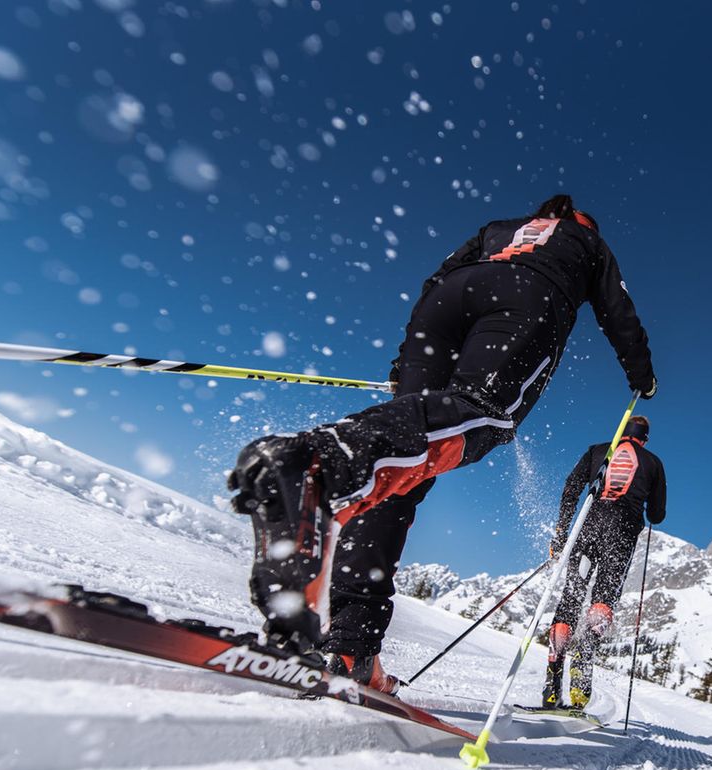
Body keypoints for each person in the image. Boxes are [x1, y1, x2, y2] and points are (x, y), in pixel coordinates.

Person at [227, 195, 656, 695]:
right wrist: (641, 375)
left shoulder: (501, 227)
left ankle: (352, 646)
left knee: (402, 470)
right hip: (526, 298)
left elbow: (439, 275)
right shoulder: (588, 241)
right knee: (484, 414)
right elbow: (617, 309)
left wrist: (403, 362)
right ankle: (323, 464)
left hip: (446, 301)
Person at [542, 415, 666, 709]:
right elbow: (657, 514)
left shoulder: (598, 450)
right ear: (644, 439)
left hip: (588, 526)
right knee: (603, 598)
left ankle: (551, 683)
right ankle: (582, 668)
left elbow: (571, 488)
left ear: (622, 432)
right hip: (620, 533)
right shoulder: (653, 462)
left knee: (571, 598)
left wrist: (561, 531)